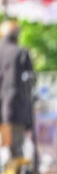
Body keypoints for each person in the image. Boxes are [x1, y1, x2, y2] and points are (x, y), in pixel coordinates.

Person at [0, 20, 36, 166]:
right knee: (16, 151)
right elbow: (31, 80)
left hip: (4, 108)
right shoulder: (21, 52)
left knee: (7, 149)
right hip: (15, 108)